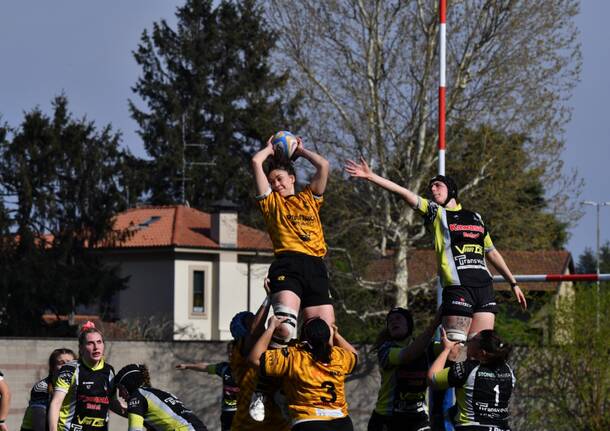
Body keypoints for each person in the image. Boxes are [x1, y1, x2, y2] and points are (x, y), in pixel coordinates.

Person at [345, 159, 527, 351]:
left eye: (438, 185)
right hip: (459, 289)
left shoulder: (476, 217)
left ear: (451, 190)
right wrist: (371, 176)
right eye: (431, 187)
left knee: (481, 350)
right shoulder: (436, 213)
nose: (433, 190)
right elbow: (405, 193)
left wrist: (513, 283)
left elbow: (492, 252)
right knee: (455, 351)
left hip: (484, 288)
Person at [251, 135, 333, 347]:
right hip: (288, 264)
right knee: (285, 331)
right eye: (271, 182)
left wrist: (301, 151)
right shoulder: (271, 203)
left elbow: (323, 165)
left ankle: (305, 374)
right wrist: (269, 149)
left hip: (316, 265)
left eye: (279, 178)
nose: (276, 184)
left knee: (326, 337)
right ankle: (273, 355)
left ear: (292, 178)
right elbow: (255, 162)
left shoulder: (309, 198)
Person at [248, 316, 358, 431]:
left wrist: (270, 328)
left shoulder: (295, 357)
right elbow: (354, 355)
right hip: (341, 422)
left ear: (305, 337)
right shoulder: (339, 356)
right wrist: (337, 335)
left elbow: (254, 359)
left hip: (310, 422)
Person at [427, 329, 515, 431]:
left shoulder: (468, 369)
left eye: (474, 339)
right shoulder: (509, 371)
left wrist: (446, 350)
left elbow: (432, 379)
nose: (469, 341)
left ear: (482, 353)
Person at [368, 308, 441, 431]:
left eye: (398, 318)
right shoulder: (385, 349)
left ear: (409, 324)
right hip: (387, 418)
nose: (393, 322)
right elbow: (409, 354)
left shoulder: (427, 347)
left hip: (418, 416)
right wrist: (434, 324)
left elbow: (451, 351)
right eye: (390, 320)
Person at [48, 322, 125, 431]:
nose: (96, 347)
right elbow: (56, 403)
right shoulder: (70, 369)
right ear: (81, 347)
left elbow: (112, 403)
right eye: (90, 343)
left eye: (99, 342)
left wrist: (137, 412)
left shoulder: (109, 371)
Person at [229, 306, 290, 431]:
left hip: (277, 424)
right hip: (248, 425)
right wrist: (269, 299)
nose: (259, 322)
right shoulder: (240, 351)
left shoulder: (268, 346)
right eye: (251, 320)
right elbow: (254, 332)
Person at [115, 364, 208, 431]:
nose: (119, 395)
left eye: (120, 389)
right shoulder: (156, 393)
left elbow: (135, 429)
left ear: (128, 385)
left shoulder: (136, 397)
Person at [175, 343, 238, 431]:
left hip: (242, 411)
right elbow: (206, 367)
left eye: (233, 351)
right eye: (229, 352)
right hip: (228, 413)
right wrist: (187, 366)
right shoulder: (224, 368)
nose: (230, 354)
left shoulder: (248, 368)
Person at [21, 348, 76, 431]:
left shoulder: (79, 384)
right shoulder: (42, 387)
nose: (66, 366)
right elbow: (39, 424)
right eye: (61, 363)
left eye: (70, 363)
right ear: (52, 367)